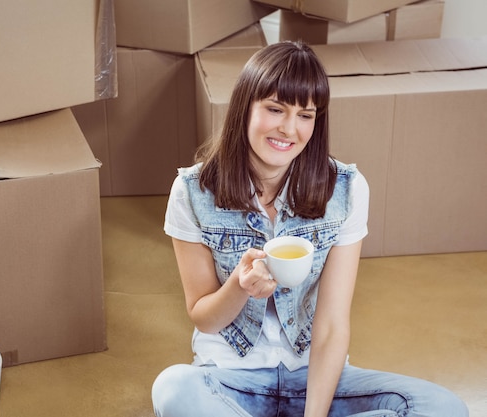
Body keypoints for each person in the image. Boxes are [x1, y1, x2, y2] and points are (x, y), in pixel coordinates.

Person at [151, 41, 468, 417]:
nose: (289, 129)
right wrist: (238, 286)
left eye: (305, 115)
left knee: (442, 407)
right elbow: (203, 314)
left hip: (317, 383)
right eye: (274, 109)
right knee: (173, 388)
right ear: (244, 109)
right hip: (231, 380)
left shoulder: (345, 190)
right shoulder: (193, 191)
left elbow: (333, 325)